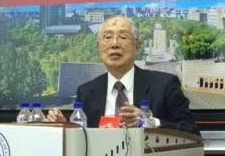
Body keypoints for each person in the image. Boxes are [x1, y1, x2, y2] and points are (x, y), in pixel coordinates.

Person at [46, 16, 199, 134]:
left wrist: (149, 122)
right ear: (98, 47)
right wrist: (66, 126)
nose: (115, 44)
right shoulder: (86, 92)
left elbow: (191, 131)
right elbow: (83, 139)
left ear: (137, 46)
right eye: (107, 37)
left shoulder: (165, 85)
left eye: (123, 37)